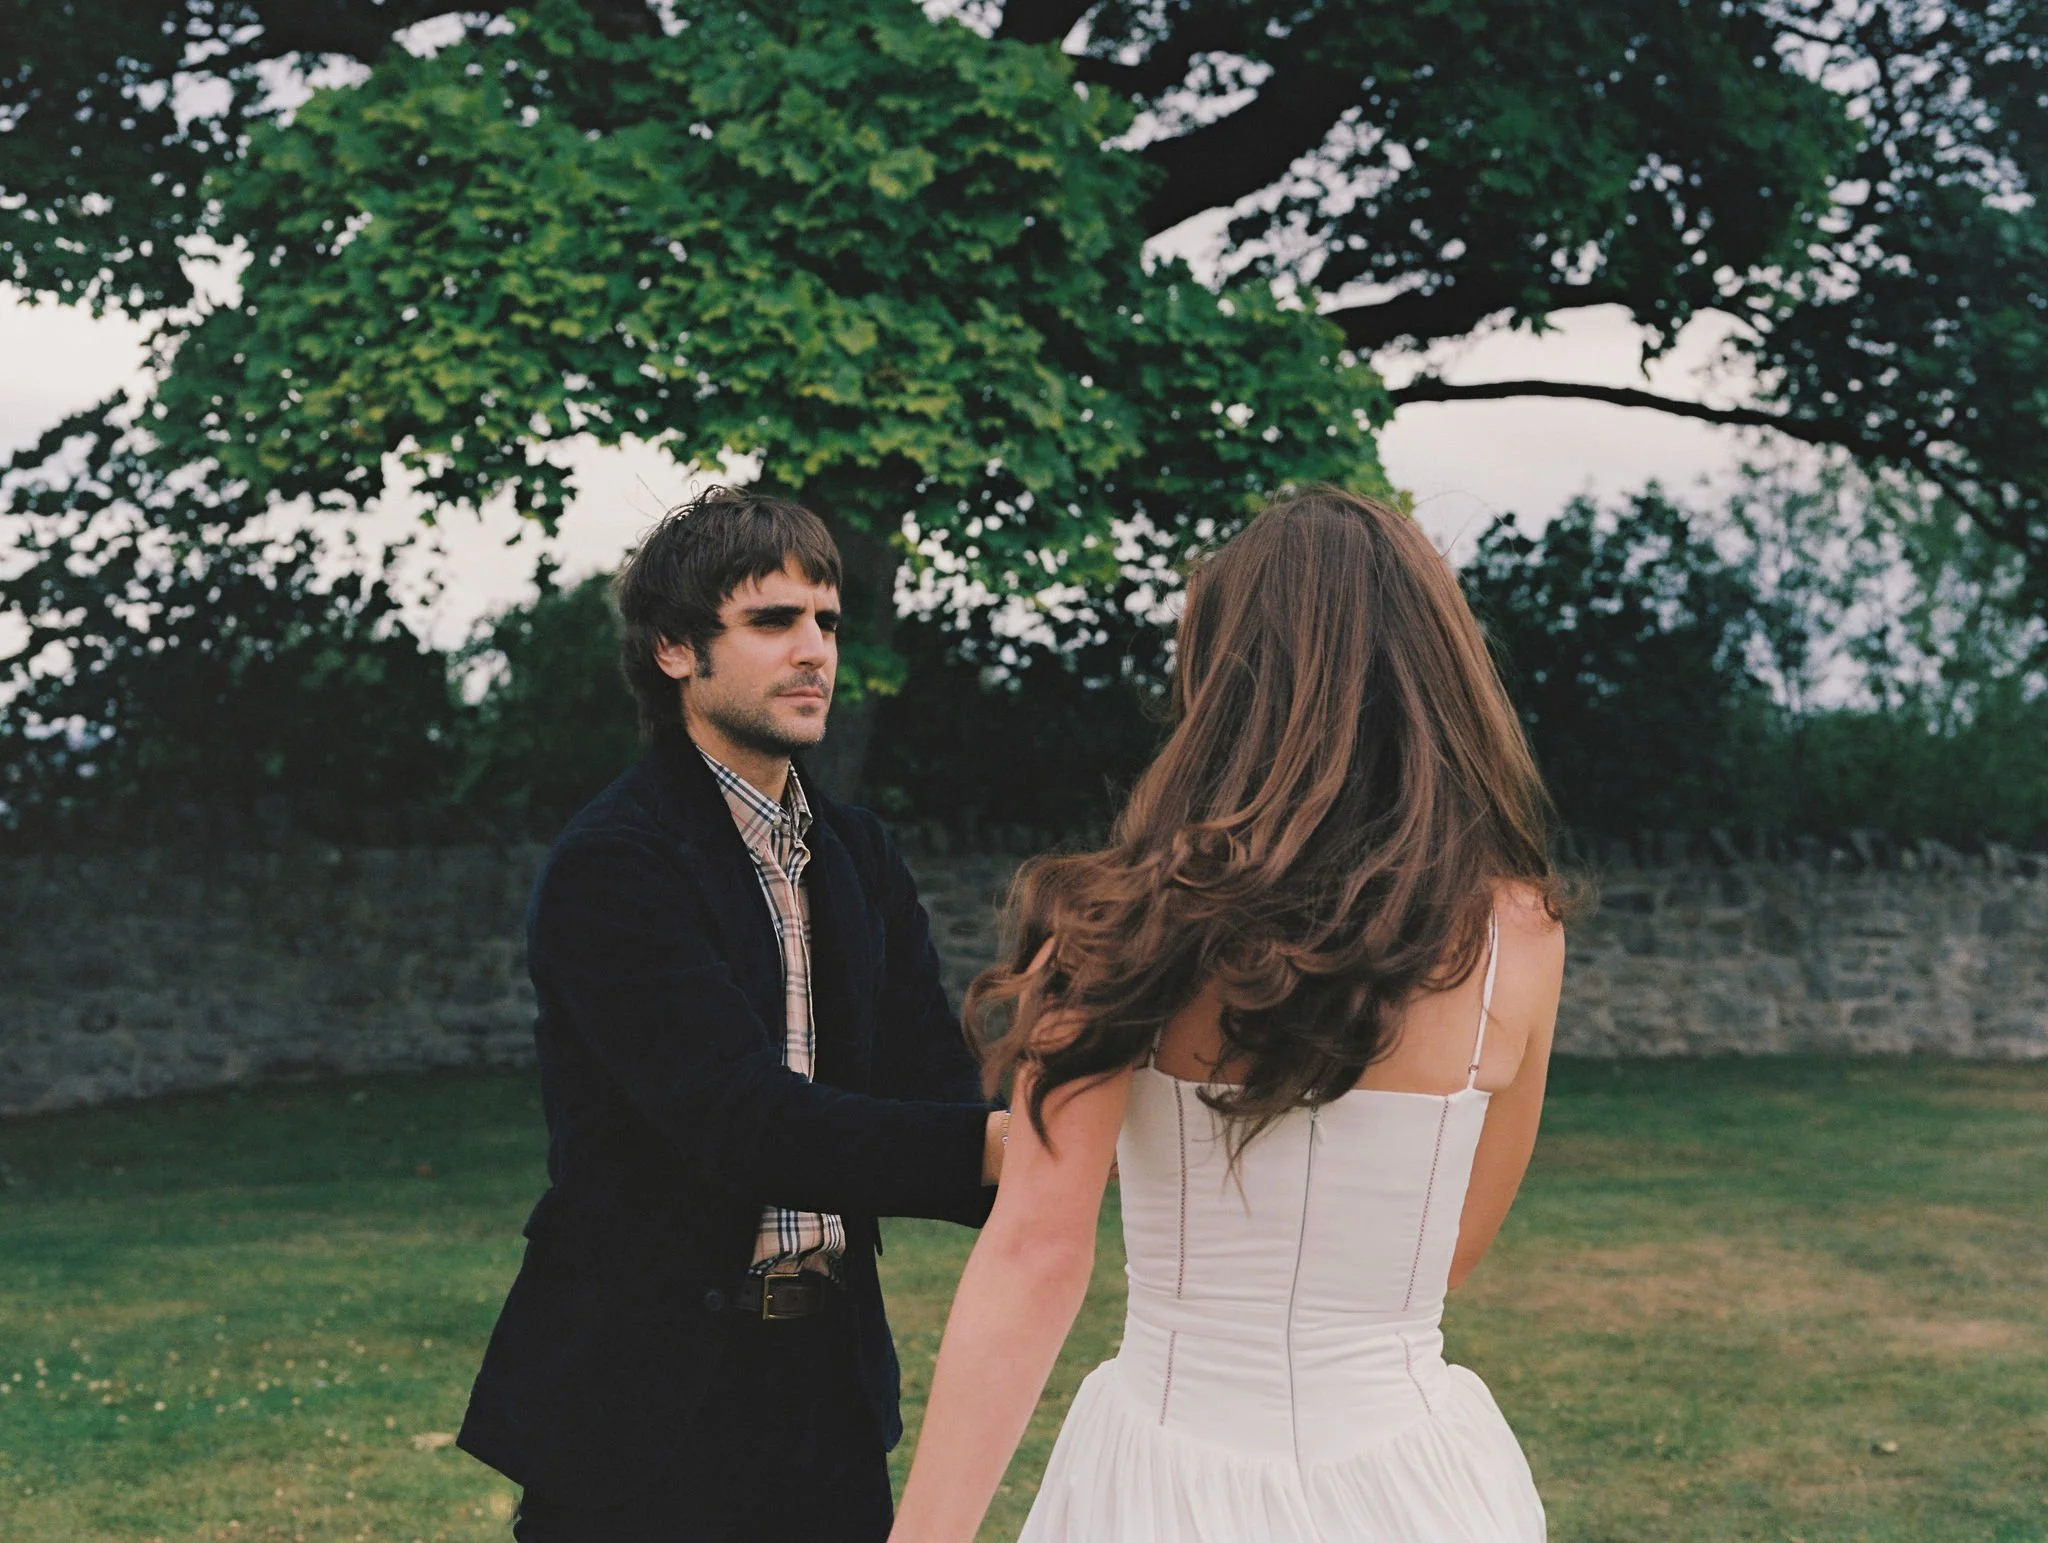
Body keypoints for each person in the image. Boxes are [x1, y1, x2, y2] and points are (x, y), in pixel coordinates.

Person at [890, 487, 1571, 1542]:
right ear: (1435, 672)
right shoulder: (1518, 936)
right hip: (1424, 1491)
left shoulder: (1118, 923)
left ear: (1224, 678)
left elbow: (1032, 1250)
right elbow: (1447, 1254)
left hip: (1159, 1482)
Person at [457, 487, 1010, 1543]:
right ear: (674, 649)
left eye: (827, 621)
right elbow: (740, 1123)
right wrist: (1011, 1150)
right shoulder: (614, 865)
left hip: (826, 1392)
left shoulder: (857, 855)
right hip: (637, 1404)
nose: (814, 651)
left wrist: (1066, 1114)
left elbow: (928, 1091)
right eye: (771, 621)